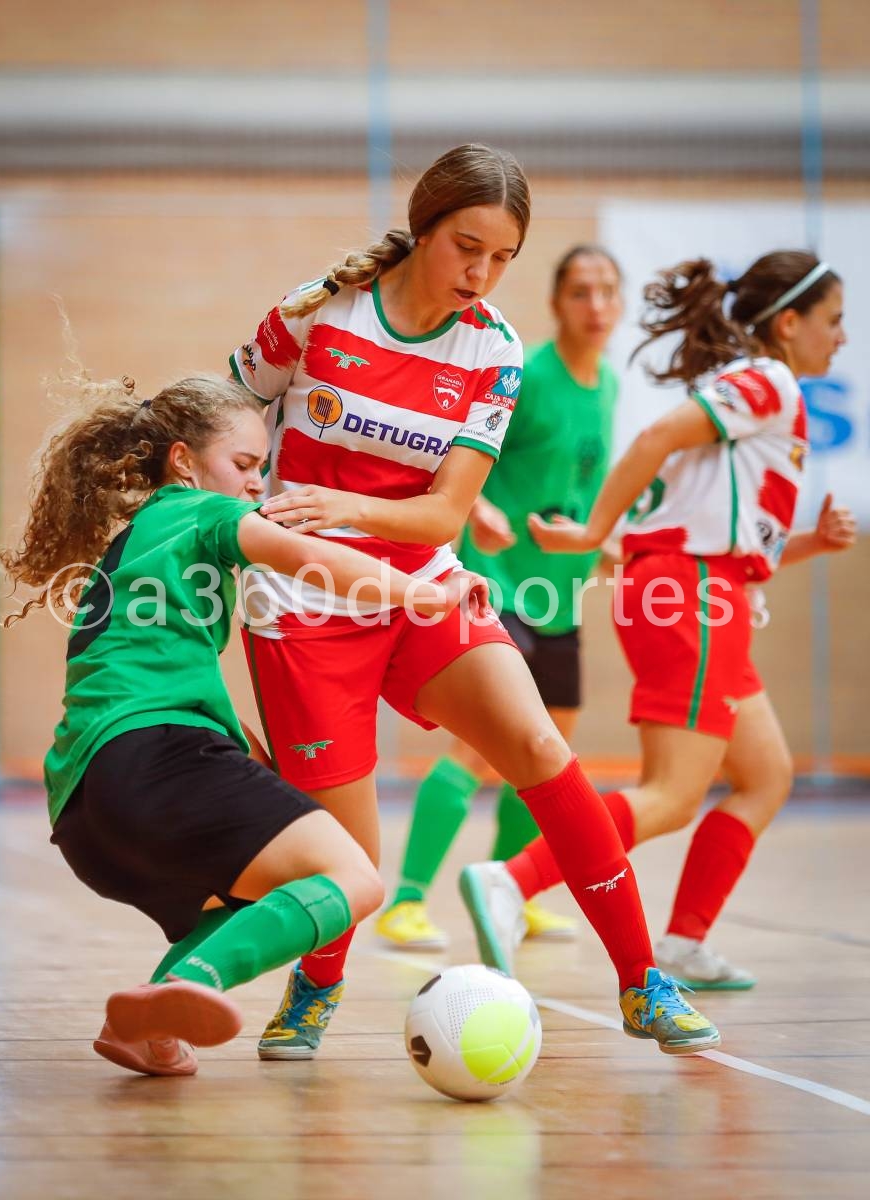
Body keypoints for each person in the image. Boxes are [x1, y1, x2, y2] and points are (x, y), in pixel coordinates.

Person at [230, 143, 721, 1058]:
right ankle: (318, 982)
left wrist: (346, 505)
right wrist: (232, 523)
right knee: (354, 862)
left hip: (423, 587)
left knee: (542, 747)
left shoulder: (493, 348)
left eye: (502, 258)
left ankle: (642, 980)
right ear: (424, 228)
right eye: (467, 247)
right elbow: (222, 426)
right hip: (301, 602)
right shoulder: (314, 314)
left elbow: (445, 512)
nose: (482, 274)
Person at [0, 371, 482, 1078]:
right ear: (184, 462)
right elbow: (309, 557)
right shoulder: (199, 511)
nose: (257, 484)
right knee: (355, 877)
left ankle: (144, 1028)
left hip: (84, 812)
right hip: (157, 761)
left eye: (264, 467)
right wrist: (422, 593)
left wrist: (252, 761)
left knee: (258, 885)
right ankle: (188, 984)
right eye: (245, 464)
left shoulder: (137, 544)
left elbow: (152, 684)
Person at [459, 250, 856, 988]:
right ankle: (512, 879)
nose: (843, 337)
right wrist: (591, 532)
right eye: (834, 320)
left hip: (698, 588)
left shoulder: (754, 392)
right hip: (692, 595)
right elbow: (653, 441)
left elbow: (722, 531)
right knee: (671, 795)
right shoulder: (766, 382)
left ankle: (683, 942)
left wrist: (811, 542)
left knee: (766, 774)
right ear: (789, 323)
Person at [376, 245, 624, 951]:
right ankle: (406, 901)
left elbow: (581, 488)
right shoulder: (532, 377)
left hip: (561, 593)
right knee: (479, 747)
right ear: (556, 303)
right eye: (581, 292)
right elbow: (454, 451)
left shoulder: (607, 384)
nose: (596, 306)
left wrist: (603, 546)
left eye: (608, 291)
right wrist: (477, 507)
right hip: (500, 585)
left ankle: (511, 887)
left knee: (551, 748)